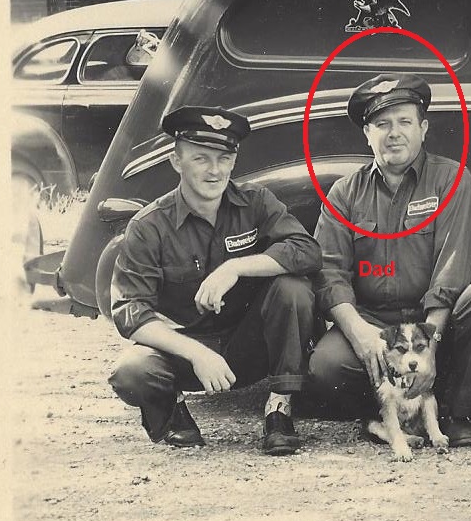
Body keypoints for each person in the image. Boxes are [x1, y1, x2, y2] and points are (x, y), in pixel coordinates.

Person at [302, 74, 471, 446]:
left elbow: (453, 267)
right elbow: (329, 274)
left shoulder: (452, 180)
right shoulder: (344, 193)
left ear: (423, 128)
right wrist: (359, 333)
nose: (393, 133)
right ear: (367, 133)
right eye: (382, 124)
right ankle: (386, 413)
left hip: (436, 322)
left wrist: (429, 346)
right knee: (326, 367)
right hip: (377, 323)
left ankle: (456, 411)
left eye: (404, 122)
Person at [106, 107, 319, 455]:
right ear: (177, 161)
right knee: (131, 371)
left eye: (224, 157)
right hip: (184, 353)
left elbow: (306, 250)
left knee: (293, 287)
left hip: (247, 347)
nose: (215, 170)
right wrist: (197, 353)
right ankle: (170, 411)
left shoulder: (256, 203)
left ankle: (279, 408)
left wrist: (235, 268)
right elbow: (129, 311)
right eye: (201, 158)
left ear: (234, 160)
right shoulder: (149, 226)